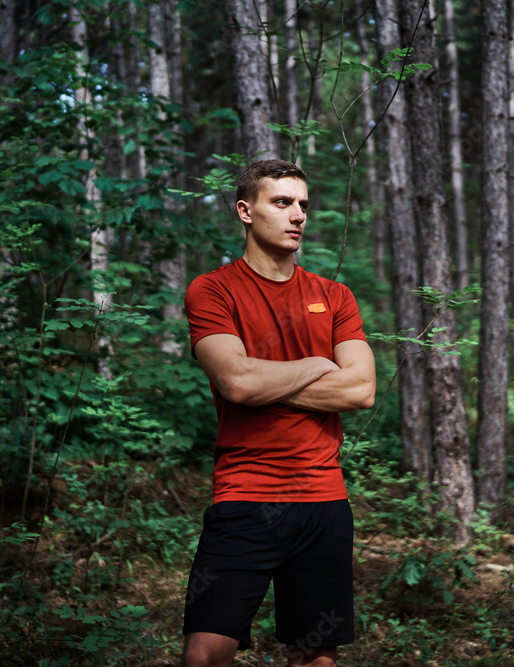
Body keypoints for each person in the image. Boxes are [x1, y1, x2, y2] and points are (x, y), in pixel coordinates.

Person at [181, 159, 376, 667]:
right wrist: (315, 364)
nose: (298, 216)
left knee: (315, 657)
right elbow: (236, 382)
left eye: (304, 205)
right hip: (245, 497)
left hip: (324, 501)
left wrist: (264, 380)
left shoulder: (335, 297)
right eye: (282, 203)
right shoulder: (214, 289)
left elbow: (360, 391)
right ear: (246, 211)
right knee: (205, 655)